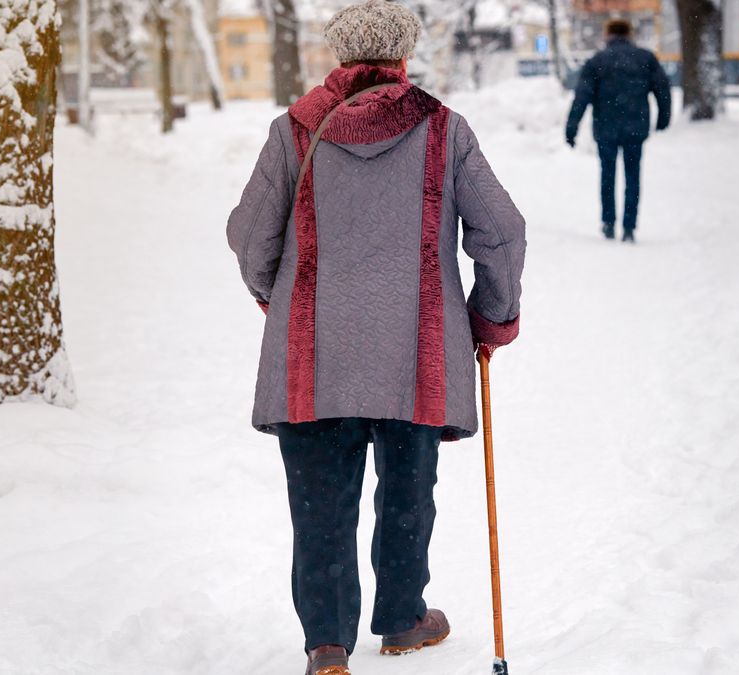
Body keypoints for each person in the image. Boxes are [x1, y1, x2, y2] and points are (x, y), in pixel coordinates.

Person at [225, 1, 526, 673]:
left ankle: (328, 645)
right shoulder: (446, 131)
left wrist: (280, 296)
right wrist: (491, 315)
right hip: (413, 351)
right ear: (402, 59)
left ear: (338, 58)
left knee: (320, 504)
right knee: (408, 488)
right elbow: (501, 231)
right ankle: (401, 617)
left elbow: (251, 237)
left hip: (314, 354)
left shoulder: (292, 132)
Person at [565, 19, 672, 243]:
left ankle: (608, 222)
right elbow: (662, 89)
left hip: (606, 128)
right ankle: (629, 227)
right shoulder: (645, 58)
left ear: (607, 35)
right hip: (636, 126)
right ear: (630, 34)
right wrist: (663, 118)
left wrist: (571, 127)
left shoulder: (597, 61)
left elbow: (582, 96)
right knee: (633, 176)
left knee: (608, 175)